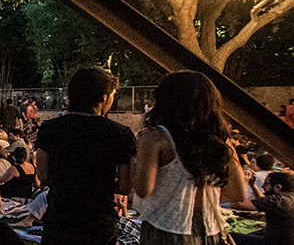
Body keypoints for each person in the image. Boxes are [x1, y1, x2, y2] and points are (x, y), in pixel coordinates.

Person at [132, 70, 246, 243]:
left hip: (166, 229)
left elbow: (143, 189)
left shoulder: (155, 137)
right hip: (210, 229)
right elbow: (238, 192)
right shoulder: (220, 140)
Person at [36, 68, 135, 245]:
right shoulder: (120, 134)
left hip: (60, 218)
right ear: (104, 97)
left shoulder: (49, 129)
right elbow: (125, 186)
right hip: (99, 221)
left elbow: (43, 177)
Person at [228, 171, 294, 245]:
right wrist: (253, 186)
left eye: (266, 183)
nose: (262, 186)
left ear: (278, 187)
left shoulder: (277, 201)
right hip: (283, 239)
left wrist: (244, 183)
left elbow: (240, 204)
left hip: (273, 242)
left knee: (228, 237)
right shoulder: (289, 197)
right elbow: (262, 199)